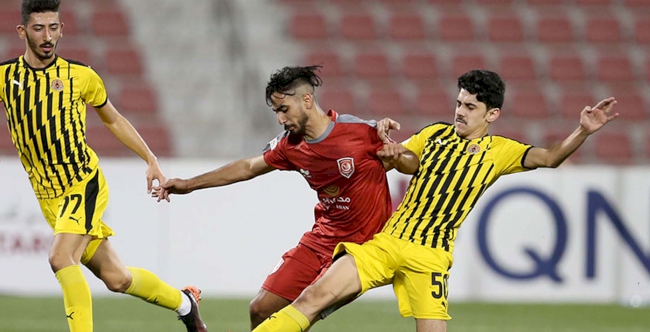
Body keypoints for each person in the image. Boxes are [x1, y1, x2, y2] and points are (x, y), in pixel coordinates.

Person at [251, 69, 619, 332]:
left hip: (430, 258)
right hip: (388, 242)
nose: (459, 111)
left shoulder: (501, 151)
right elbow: (409, 162)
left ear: (492, 114)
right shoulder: (435, 133)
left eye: (471, 107)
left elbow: (550, 158)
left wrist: (582, 132)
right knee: (312, 297)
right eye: (459, 103)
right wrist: (395, 155)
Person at [0, 1, 206, 331]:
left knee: (61, 258)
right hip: (49, 196)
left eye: (53, 27)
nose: (47, 36)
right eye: (38, 28)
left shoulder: (81, 76)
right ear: (22, 32)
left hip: (82, 182)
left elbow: (114, 120)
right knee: (117, 279)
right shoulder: (0, 77)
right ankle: (184, 303)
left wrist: (151, 159)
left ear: (61, 28)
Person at [153, 65, 394, 329]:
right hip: (323, 240)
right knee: (260, 310)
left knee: (304, 309)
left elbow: (408, 159)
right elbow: (248, 167)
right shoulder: (289, 145)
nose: (280, 119)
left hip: (364, 248)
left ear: (307, 100)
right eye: (276, 112)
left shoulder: (361, 132)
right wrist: (189, 184)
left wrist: (397, 151)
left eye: (284, 110)